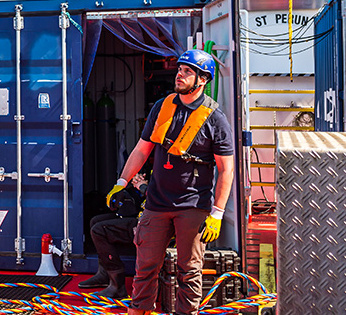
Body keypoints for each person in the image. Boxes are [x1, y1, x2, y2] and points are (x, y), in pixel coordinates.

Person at [107, 49, 235, 315]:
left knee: (189, 271)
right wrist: (122, 181)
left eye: (188, 71)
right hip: (156, 203)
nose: (180, 74)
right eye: (180, 69)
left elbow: (227, 170)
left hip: (193, 205)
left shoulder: (216, 119)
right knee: (145, 269)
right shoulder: (162, 107)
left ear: (202, 79)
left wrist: (217, 213)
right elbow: (142, 150)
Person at [79, 172, 148, 299]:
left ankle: (117, 286)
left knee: (100, 230)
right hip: (141, 217)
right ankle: (104, 274)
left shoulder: (174, 171)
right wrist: (136, 183)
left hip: (152, 224)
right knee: (96, 221)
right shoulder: (155, 167)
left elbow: (162, 196)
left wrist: (143, 187)